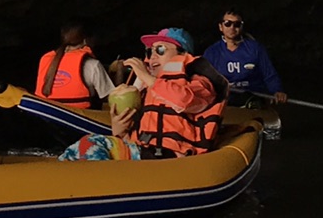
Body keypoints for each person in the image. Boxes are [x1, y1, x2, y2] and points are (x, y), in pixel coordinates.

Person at [123, 28, 225, 156]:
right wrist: (120, 130)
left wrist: (148, 78)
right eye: (149, 52)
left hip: (175, 155)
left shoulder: (201, 82)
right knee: (93, 143)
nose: (152, 57)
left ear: (182, 55)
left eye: (160, 50)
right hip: (143, 151)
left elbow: (183, 100)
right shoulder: (147, 88)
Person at [201, 11, 286, 105]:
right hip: (224, 101)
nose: (232, 28)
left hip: (253, 98)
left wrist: (277, 90)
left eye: (237, 24)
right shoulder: (212, 52)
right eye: (227, 24)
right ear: (221, 27)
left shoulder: (255, 48)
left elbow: (269, 74)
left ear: (241, 26)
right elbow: (203, 80)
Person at [35, 19, 115, 105]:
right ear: (86, 40)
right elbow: (113, 99)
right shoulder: (93, 65)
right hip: (78, 116)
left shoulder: (45, 59)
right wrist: (118, 73)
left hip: (47, 114)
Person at [58, 88, 146, 161]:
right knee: (72, 153)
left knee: (89, 143)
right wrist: (120, 133)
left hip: (146, 153)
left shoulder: (92, 67)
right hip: (128, 146)